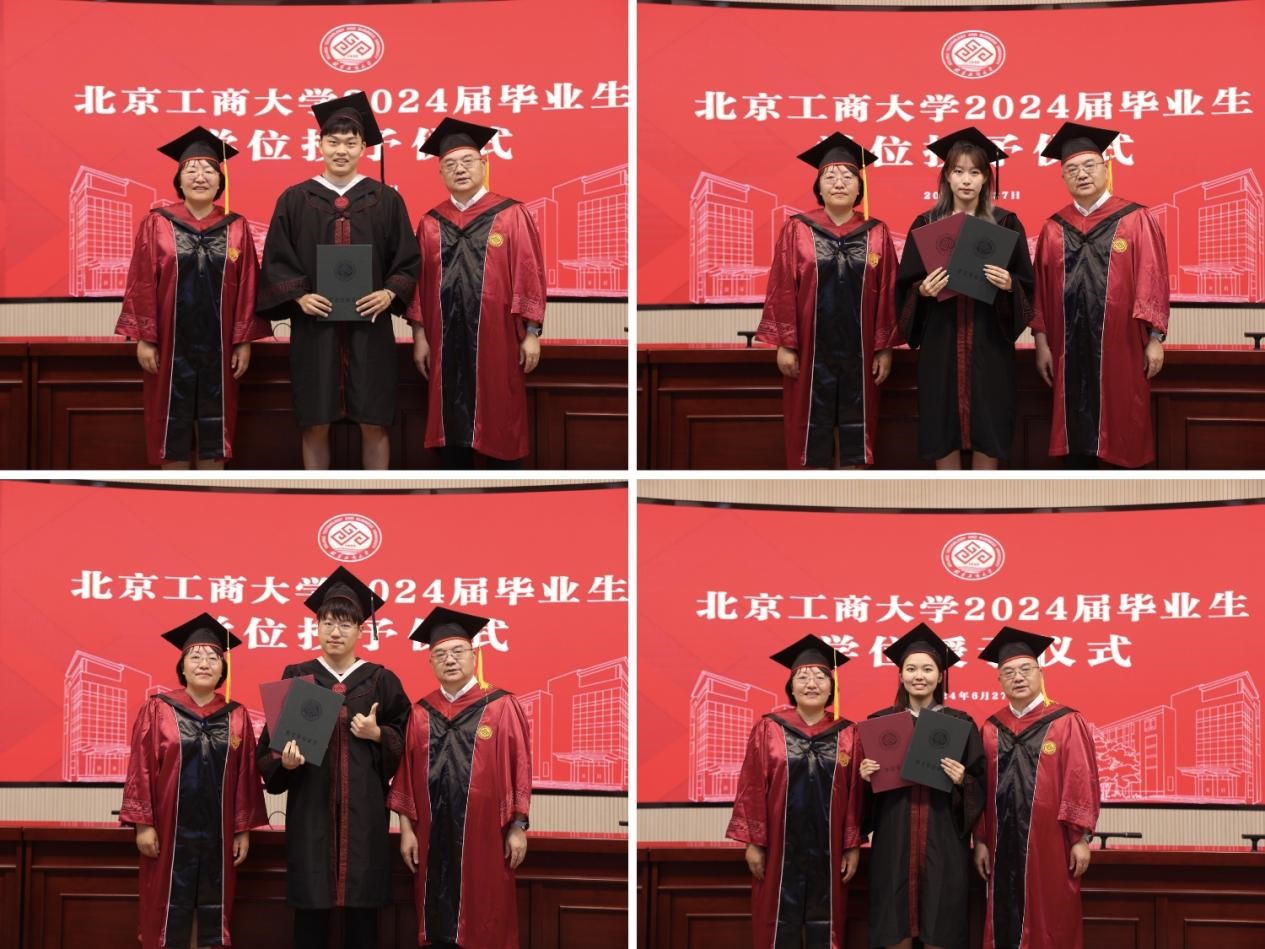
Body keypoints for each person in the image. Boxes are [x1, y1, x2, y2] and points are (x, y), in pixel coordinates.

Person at [257, 92, 421, 470]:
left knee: (374, 420)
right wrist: (299, 296)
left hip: (370, 326)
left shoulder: (385, 199)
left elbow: (407, 259)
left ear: (364, 147)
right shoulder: (295, 199)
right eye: (333, 142)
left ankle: (375, 498)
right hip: (314, 327)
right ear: (320, 145)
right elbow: (277, 258)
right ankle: (318, 497)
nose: (341, 150)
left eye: (350, 142)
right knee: (315, 420)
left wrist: (389, 292)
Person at [255, 567, 412, 949]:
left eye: (345, 623)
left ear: (361, 630)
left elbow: (409, 741)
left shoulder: (381, 680)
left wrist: (379, 735)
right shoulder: (298, 677)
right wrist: (285, 763)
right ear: (317, 627)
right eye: (327, 622)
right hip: (311, 812)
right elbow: (269, 750)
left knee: (363, 918)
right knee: (311, 915)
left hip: (364, 816)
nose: (335, 631)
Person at [116, 127, 269, 469]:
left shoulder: (236, 226)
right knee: (170, 422)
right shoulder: (157, 223)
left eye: (209, 170)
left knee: (217, 422)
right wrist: (145, 337)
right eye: (191, 170)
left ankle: (211, 493)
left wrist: (243, 341)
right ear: (179, 180)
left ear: (220, 181)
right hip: (170, 345)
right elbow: (142, 280)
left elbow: (248, 285)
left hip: (221, 344)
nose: (200, 177)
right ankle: (175, 495)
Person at [406, 118, 547, 469]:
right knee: (450, 426)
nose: (460, 169)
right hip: (443, 341)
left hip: (499, 339)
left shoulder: (511, 214)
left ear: (484, 164)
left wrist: (531, 332)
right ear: (440, 172)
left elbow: (528, 273)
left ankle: (504, 490)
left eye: (468, 161)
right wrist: (420, 336)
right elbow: (419, 284)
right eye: (450, 164)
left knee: (500, 415)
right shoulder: (430, 222)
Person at [388, 607, 533, 949]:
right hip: (431, 836)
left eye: (457, 651)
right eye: (440, 655)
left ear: (474, 655)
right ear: (430, 662)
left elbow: (520, 768)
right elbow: (406, 774)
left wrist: (518, 826)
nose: (450, 660)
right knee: (436, 922)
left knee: (486, 914)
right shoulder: (420, 712)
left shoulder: (500, 706)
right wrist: (406, 831)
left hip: (487, 835)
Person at [120, 614, 266, 948]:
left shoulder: (236, 715)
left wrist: (242, 829)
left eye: (213, 657)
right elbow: (141, 767)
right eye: (195, 657)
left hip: (219, 833)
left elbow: (245, 776)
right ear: (182, 667)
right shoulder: (158, 709)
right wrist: (143, 824)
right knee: (166, 904)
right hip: (169, 832)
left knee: (213, 904)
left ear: (222, 669)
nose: (204, 664)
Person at [755, 132, 900, 469]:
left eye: (848, 176)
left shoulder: (876, 232)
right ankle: (812, 489)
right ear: (818, 188)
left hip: (860, 350)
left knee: (857, 426)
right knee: (809, 425)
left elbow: (888, 292)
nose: (839, 183)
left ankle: (852, 485)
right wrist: (785, 343)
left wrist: (884, 347)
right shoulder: (797, 230)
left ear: (859, 188)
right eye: (830, 176)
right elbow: (783, 287)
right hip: (809, 348)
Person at [1030, 122, 1170, 468]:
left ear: (1106, 168)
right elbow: (1041, 292)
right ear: (1063, 178)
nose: (1082, 174)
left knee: (1122, 422)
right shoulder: (1053, 228)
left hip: (1123, 345)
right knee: (1074, 433)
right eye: (1072, 169)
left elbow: (1152, 280)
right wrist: (1042, 343)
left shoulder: (1136, 219)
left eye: (1089, 165)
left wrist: (1155, 338)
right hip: (1067, 348)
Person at [897, 127, 1035, 470]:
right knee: (941, 421)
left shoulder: (1006, 224)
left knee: (990, 420)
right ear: (946, 176)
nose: (966, 180)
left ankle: (985, 502)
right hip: (940, 342)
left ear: (986, 177)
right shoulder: (926, 223)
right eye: (958, 171)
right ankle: (949, 503)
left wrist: (1009, 285)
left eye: (975, 172)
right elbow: (905, 287)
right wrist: (922, 291)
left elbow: (1026, 285)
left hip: (989, 342)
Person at [726, 634, 863, 949]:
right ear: (791, 687)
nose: (811, 684)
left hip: (830, 848)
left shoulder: (849, 734)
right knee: (776, 920)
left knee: (827, 922)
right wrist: (754, 842)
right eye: (803, 677)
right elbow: (752, 787)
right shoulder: (769, 729)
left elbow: (855, 793)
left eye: (820, 677)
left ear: (831, 687)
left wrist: (851, 845)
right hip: (778, 846)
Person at [973, 627, 1101, 949]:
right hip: (1001, 844)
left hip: (1051, 843)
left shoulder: (1065, 721)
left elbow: (1079, 780)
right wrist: (981, 839)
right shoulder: (990, 728)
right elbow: (981, 790)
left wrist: (1080, 838)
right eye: (1008, 673)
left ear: (1040, 674)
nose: (1018, 678)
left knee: (1053, 916)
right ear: (999, 681)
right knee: (1003, 915)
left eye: (1025, 670)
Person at [859, 624, 985, 949]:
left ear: (940, 676)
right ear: (900, 675)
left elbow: (981, 785)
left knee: (941, 925)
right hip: (893, 839)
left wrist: (963, 780)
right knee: (894, 925)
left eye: (928, 669)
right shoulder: (879, 724)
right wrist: (865, 778)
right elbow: (862, 800)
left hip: (944, 840)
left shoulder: (960, 724)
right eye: (911, 669)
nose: (919, 676)